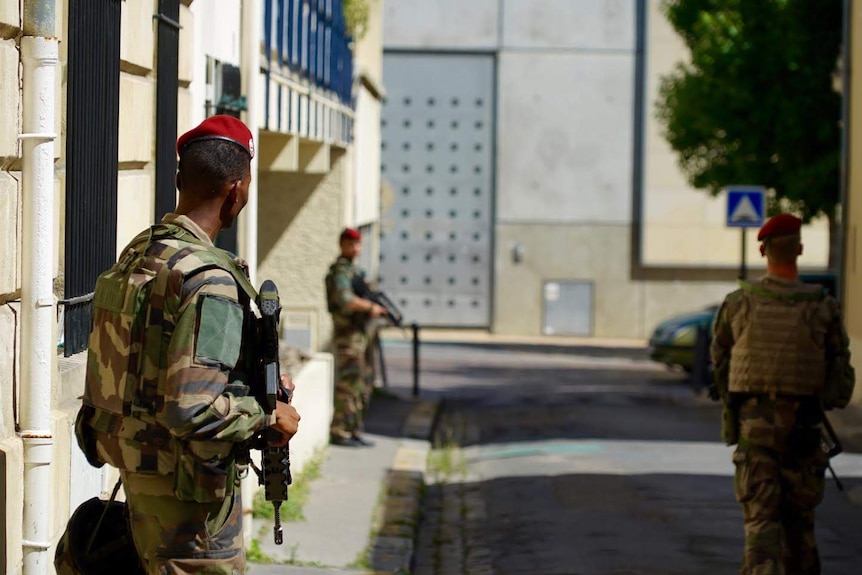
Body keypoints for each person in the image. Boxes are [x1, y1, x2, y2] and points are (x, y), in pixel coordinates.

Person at [72, 115, 301, 575]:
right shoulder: (211, 281)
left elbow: (151, 367)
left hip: (140, 487)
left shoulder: (143, 254)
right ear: (236, 191)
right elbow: (191, 409)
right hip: (190, 518)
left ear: (180, 180)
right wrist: (268, 412)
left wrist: (244, 382)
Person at [710, 213, 855, 575]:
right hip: (805, 434)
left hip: (755, 433)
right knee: (800, 530)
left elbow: (719, 365)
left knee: (760, 528)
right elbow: (839, 377)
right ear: (800, 250)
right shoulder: (823, 306)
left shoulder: (738, 304)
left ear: (762, 250)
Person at [325, 227, 386, 447]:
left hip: (360, 336)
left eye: (358, 244)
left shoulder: (354, 271)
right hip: (348, 336)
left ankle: (353, 428)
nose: (356, 248)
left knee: (362, 383)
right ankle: (340, 430)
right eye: (351, 244)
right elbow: (346, 299)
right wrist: (371, 307)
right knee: (349, 384)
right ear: (342, 244)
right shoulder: (340, 272)